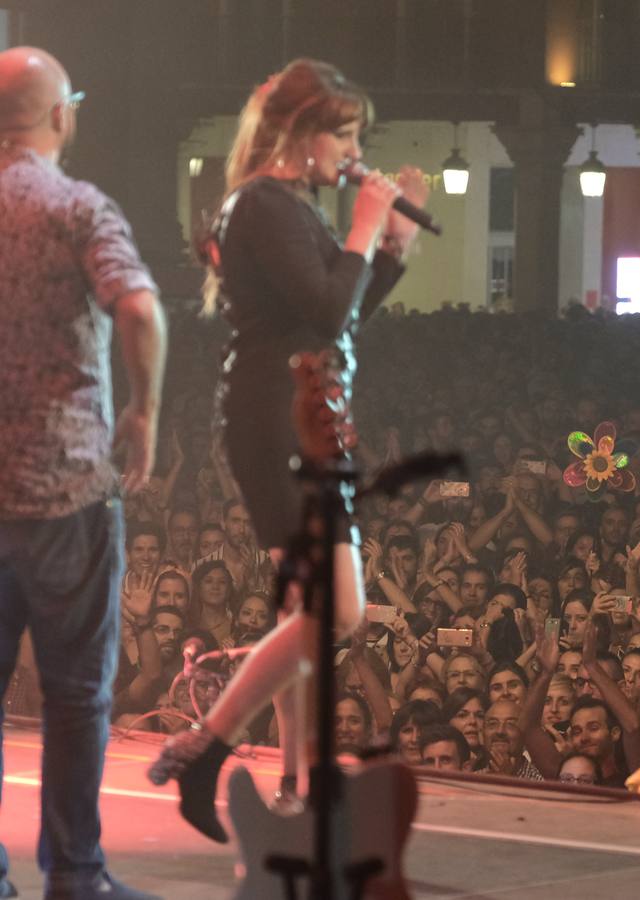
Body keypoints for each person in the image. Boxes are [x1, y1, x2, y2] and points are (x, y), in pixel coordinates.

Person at [147, 57, 428, 843]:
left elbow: (341, 311)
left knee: (307, 612)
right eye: (344, 135)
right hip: (280, 415)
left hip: (304, 409)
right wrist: (370, 224)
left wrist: (393, 250)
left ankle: (301, 786)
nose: (353, 153)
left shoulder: (287, 204)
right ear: (303, 134)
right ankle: (211, 742)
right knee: (341, 609)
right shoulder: (264, 205)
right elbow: (329, 311)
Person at [0, 45, 167, 900]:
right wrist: (142, 411)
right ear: (61, 114)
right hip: (66, 491)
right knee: (73, 696)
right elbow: (138, 306)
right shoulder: (74, 207)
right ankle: (73, 874)